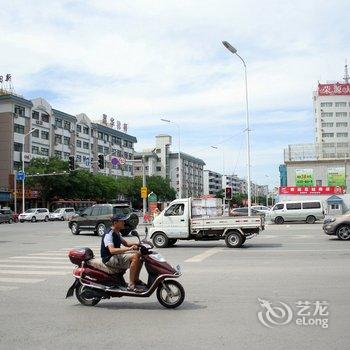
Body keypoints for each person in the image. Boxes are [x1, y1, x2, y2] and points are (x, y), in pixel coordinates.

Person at [100, 214, 143, 292]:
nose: (124, 222)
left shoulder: (117, 232)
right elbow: (112, 250)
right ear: (115, 222)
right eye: (122, 221)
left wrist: (138, 244)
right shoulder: (109, 234)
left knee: (140, 255)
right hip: (109, 258)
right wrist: (129, 249)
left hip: (116, 256)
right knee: (135, 256)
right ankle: (131, 284)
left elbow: (125, 243)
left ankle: (136, 279)